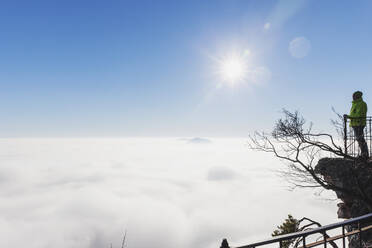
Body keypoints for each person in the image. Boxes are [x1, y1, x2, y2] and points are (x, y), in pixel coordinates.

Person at [345, 91, 369, 159]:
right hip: (356, 123)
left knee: (360, 139)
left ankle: (365, 154)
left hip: (359, 123)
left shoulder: (361, 104)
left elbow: (359, 115)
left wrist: (349, 117)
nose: (353, 97)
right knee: (359, 139)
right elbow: (355, 114)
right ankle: (364, 154)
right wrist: (350, 117)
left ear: (357, 96)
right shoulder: (355, 104)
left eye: (354, 96)